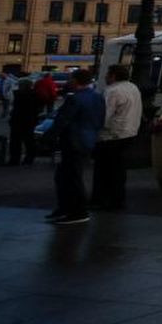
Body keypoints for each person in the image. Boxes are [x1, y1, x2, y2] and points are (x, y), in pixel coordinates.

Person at [45, 68, 104, 225]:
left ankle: (76, 211)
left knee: (69, 177)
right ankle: (67, 209)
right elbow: (100, 119)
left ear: (76, 80)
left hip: (72, 141)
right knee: (70, 176)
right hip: (88, 140)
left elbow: (62, 120)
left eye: (71, 78)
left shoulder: (75, 98)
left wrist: (49, 136)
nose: (68, 81)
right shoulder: (97, 97)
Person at [93, 64, 142, 211]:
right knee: (118, 169)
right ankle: (118, 198)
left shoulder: (112, 91)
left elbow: (105, 115)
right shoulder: (133, 87)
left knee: (104, 170)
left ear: (113, 76)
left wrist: (95, 129)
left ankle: (103, 199)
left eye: (107, 74)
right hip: (129, 132)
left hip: (111, 135)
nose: (105, 77)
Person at [7, 77, 41, 165]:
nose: (18, 86)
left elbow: (16, 109)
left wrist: (12, 118)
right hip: (30, 120)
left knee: (15, 141)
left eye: (19, 85)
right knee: (29, 140)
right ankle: (29, 158)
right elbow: (38, 109)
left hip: (19, 120)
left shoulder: (18, 94)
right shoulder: (35, 95)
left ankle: (15, 159)